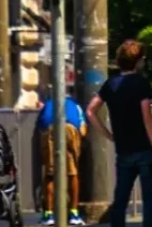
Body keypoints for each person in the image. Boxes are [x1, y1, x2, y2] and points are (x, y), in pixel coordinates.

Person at [86, 41, 152, 227]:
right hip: (145, 151)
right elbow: (147, 117)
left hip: (123, 150)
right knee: (149, 202)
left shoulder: (110, 84)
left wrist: (109, 135)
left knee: (120, 201)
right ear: (138, 61)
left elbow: (90, 111)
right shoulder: (141, 83)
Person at [36, 94, 87, 226]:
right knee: (73, 173)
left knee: (50, 174)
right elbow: (83, 129)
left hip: (50, 127)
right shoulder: (75, 106)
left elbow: (41, 127)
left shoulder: (48, 104)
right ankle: (74, 213)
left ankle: (48, 214)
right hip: (71, 127)